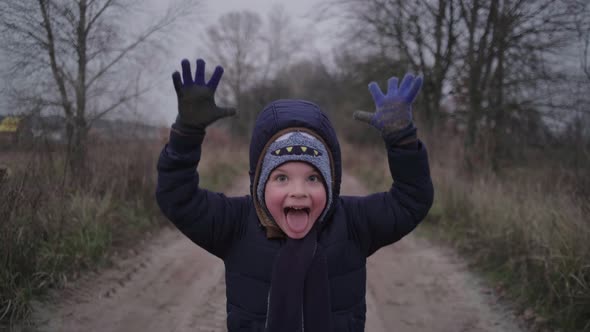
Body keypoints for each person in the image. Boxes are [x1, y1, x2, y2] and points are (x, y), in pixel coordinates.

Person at [156, 58, 434, 332]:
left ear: (331, 182)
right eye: (281, 178)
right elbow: (178, 197)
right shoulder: (236, 224)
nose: (298, 192)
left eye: (313, 178)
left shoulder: (353, 223)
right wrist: (186, 134)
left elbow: (410, 200)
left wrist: (403, 141)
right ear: (260, 183)